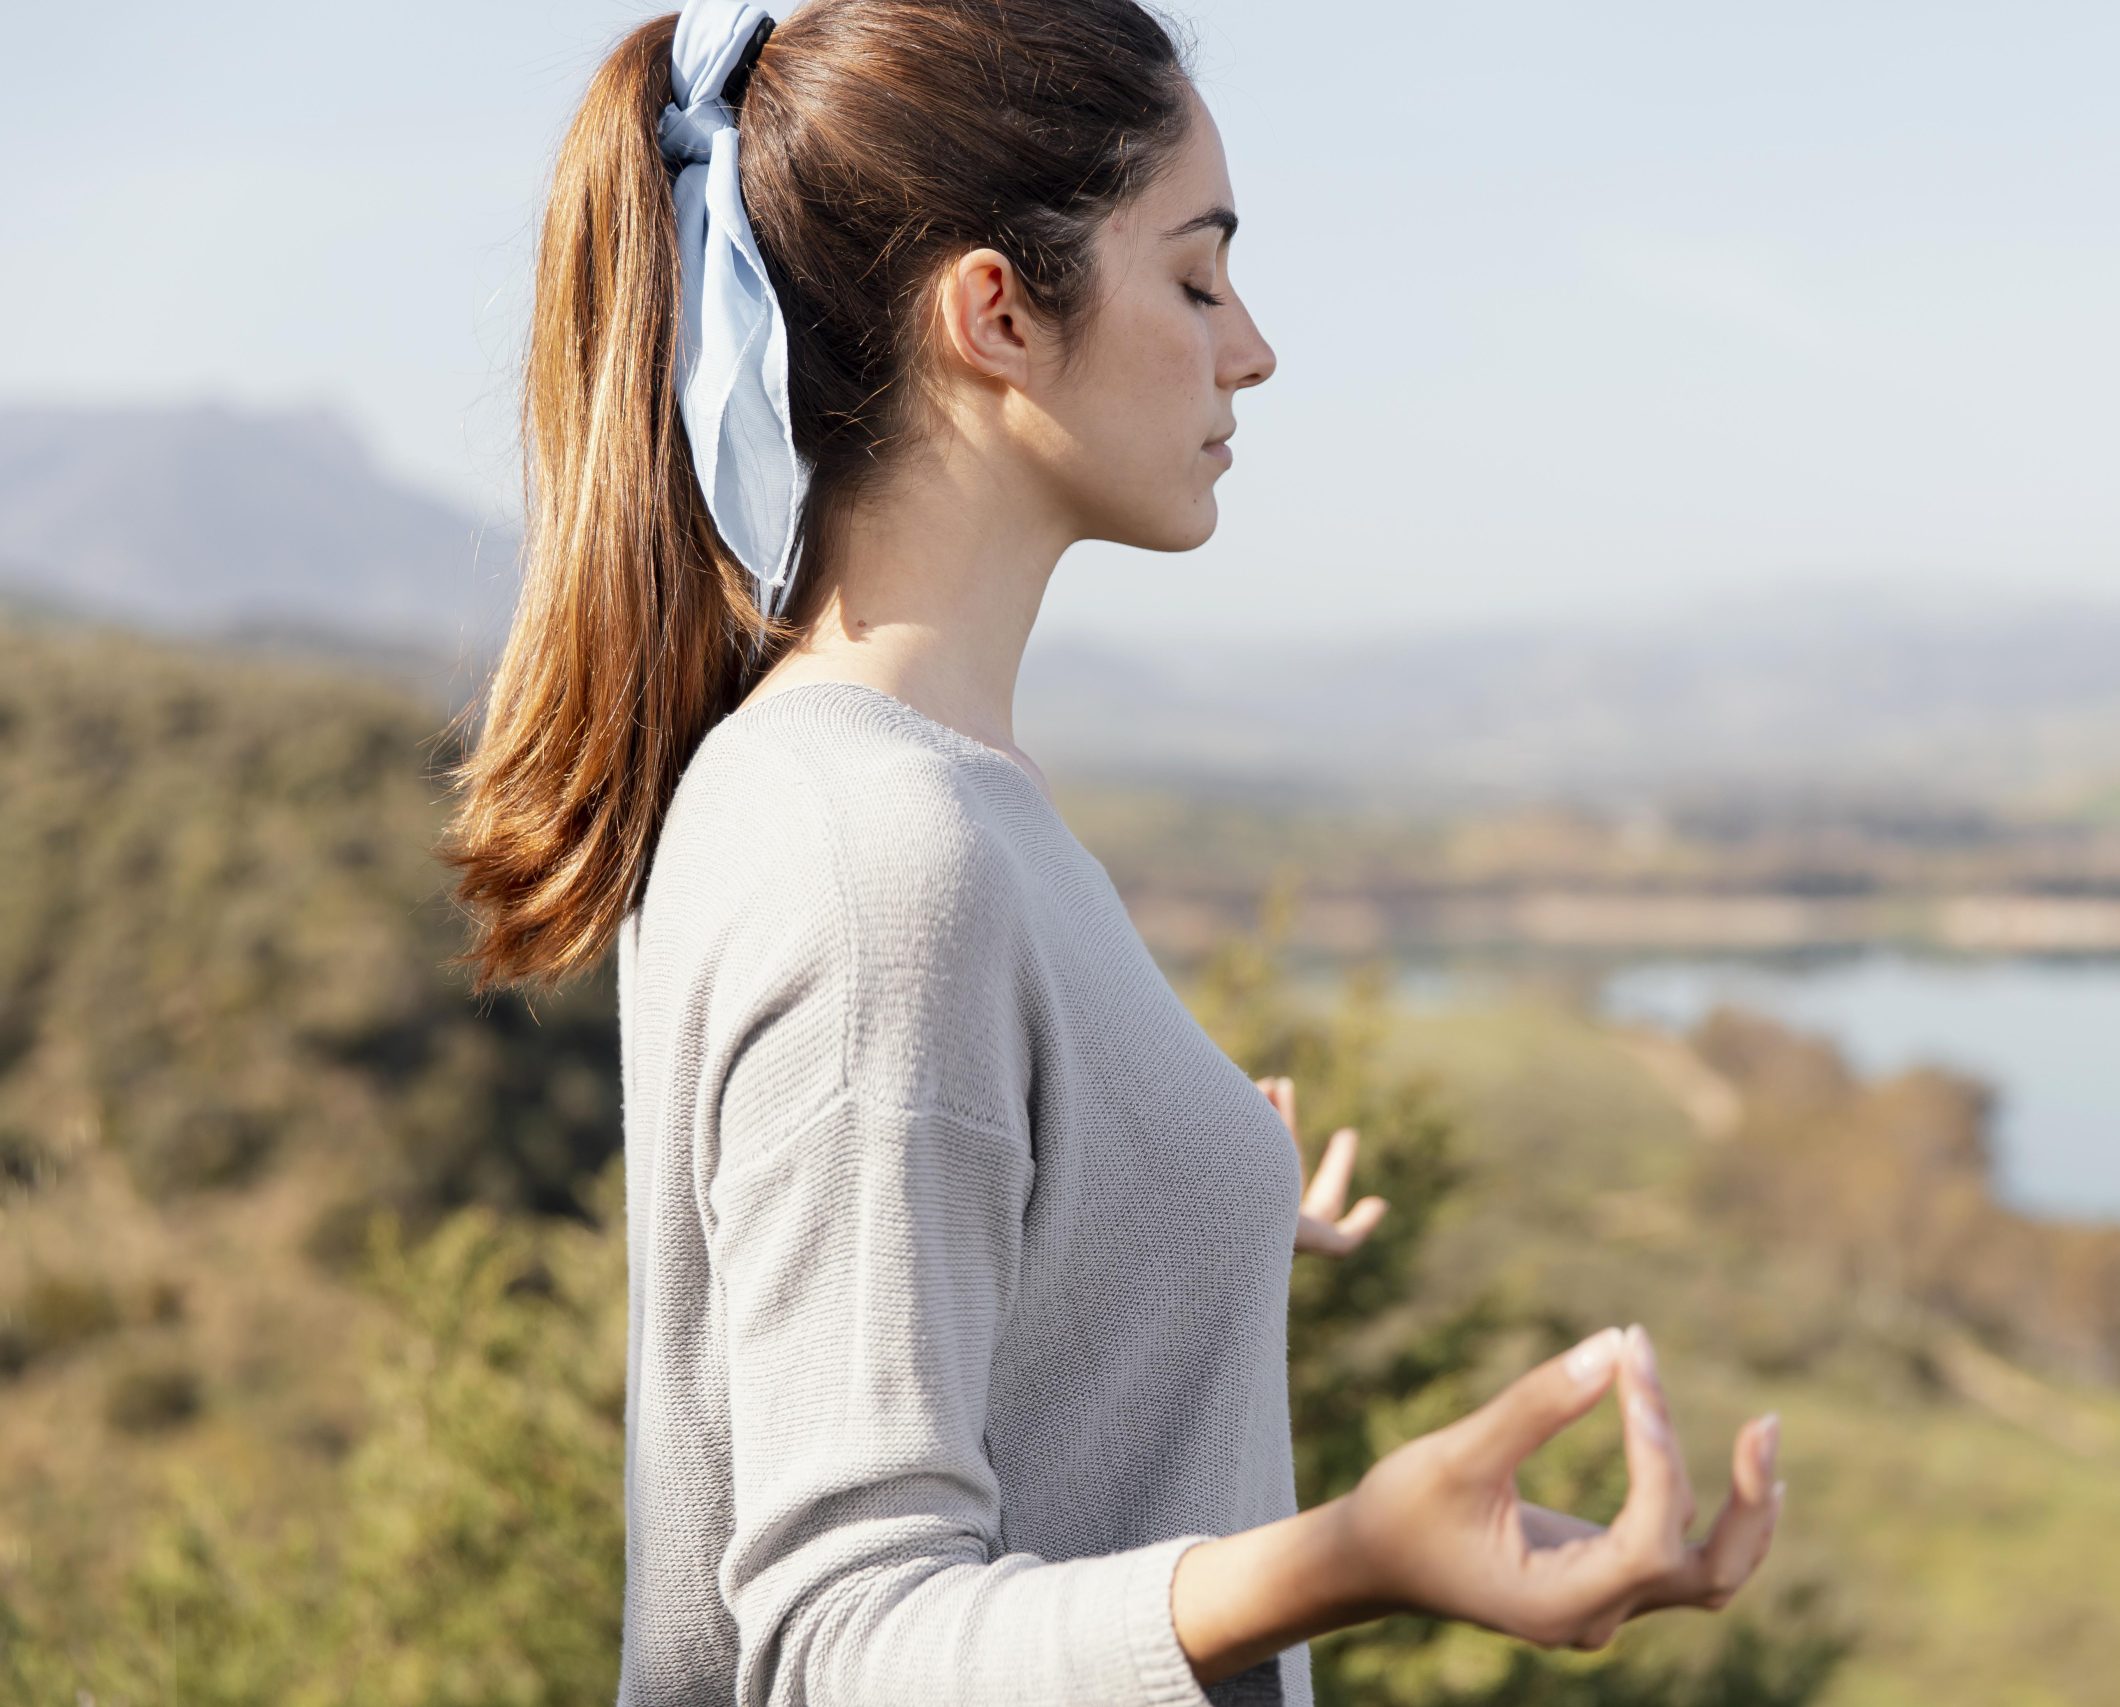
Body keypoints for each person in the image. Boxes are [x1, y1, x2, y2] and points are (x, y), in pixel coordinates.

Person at [436, 2, 1785, 1702]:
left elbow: (933, 1248)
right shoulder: (878, 863)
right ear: (997, 313)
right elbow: (849, 1640)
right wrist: (1355, 1558)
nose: (1253, 350)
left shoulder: (908, 789)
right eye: (1199, 278)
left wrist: (1168, 1195)